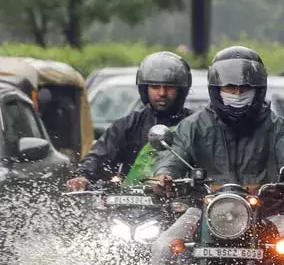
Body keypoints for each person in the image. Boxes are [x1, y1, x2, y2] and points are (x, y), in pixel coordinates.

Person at [147, 46, 284, 265]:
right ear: (217, 89)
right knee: (163, 248)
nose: (238, 94)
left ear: (258, 89)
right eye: (230, 88)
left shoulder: (274, 125)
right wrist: (164, 176)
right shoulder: (194, 125)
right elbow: (174, 156)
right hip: (203, 211)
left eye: (245, 89)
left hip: (266, 213)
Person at [68, 51, 195, 190]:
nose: (162, 93)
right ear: (144, 89)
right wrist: (84, 176)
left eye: (169, 87)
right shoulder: (128, 125)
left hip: (182, 204)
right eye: (155, 87)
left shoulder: (194, 126)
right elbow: (100, 156)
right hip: (130, 204)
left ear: (181, 90)